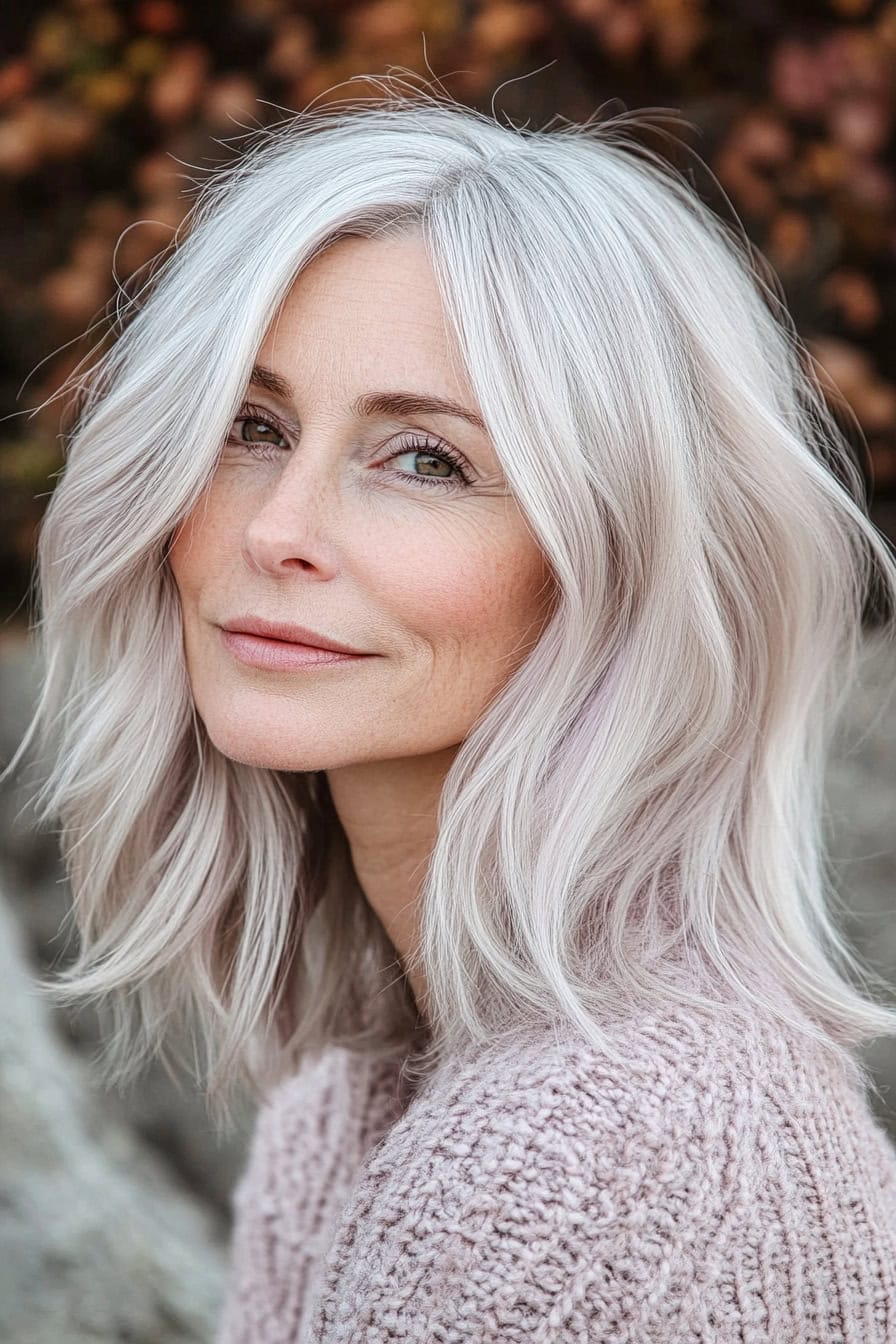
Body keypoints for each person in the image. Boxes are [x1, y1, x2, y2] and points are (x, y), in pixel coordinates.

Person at [8, 76, 896, 1341]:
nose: (277, 528)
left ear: (618, 568)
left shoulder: (607, 1157)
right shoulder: (359, 1101)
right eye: (252, 426)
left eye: (425, 459)